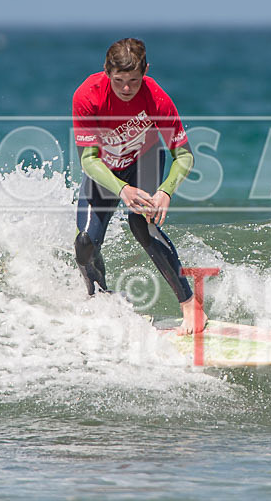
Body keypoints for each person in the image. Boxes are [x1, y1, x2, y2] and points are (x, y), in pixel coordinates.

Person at [72, 37, 206, 334]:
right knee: (85, 244)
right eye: (119, 80)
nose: (127, 89)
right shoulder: (87, 97)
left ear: (146, 70)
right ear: (106, 71)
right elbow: (89, 161)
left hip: (144, 160)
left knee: (141, 224)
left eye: (134, 80)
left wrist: (166, 190)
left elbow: (183, 155)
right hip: (105, 171)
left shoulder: (156, 98)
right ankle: (100, 301)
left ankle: (191, 307)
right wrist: (121, 188)